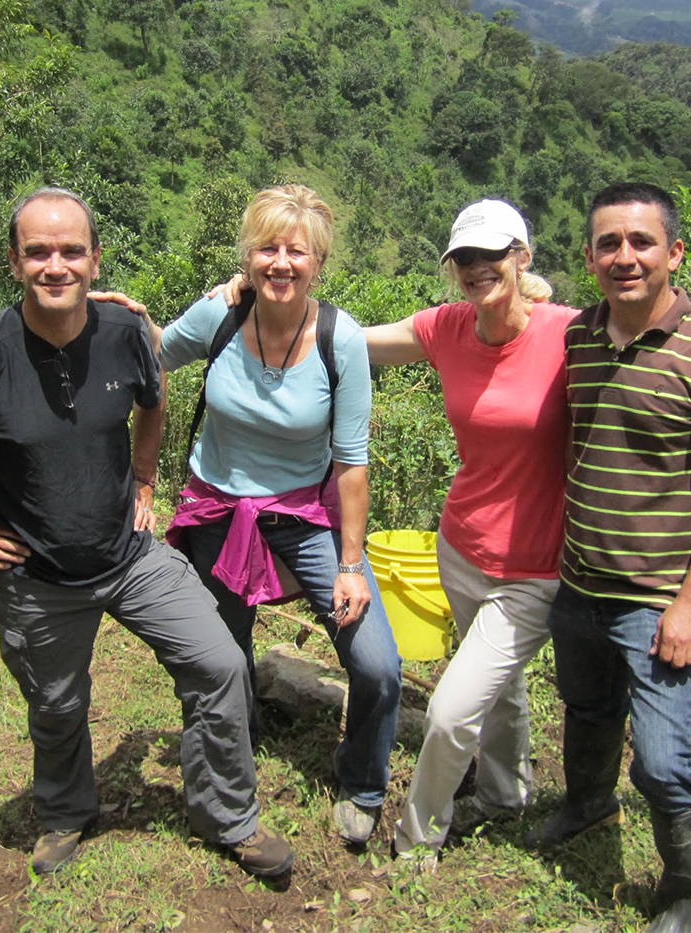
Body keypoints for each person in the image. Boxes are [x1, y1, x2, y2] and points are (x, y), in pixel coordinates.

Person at [0, 187, 293, 879]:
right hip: (38, 577)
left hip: (129, 556)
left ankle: (228, 816)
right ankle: (64, 811)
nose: (54, 265)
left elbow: (154, 398)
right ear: (14, 261)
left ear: (95, 259)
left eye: (69, 251)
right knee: (58, 704)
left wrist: (146, 482)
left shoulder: (124, 332)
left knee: (219, 663)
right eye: (37, 251)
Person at [131, 184, 403, 846]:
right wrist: (129, 318)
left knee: (377, 663)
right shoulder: (220, 318)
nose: (281, 262)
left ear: (319, 262)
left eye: (296, 251)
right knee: (223, 648)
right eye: (267, 248)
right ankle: (237, 742)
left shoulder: (341, 341)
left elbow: (352, 464)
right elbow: (149, 360)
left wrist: (350, 565)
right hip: (217, 508)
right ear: (249, 257)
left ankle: (363, 779)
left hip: (307, 514)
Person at [535, 182, 691, 933]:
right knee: (587, 710)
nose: (624, 257)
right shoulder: (580, 336)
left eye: (640, 242)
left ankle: (682, 888)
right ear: (591, 256)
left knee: (666, 760)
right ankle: (588, 804)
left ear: (674, 252)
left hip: (659, 599)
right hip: (580, 580)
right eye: (608, 243)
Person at [362, 199, 579, 867]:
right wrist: (256, 302)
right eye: (465, 258)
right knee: (501, 687)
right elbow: (353, 338)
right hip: (459, 548)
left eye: (493, 254)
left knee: (454, 709)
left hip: (535, 566)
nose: (477, 268)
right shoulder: (447, 329)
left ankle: (418, 833)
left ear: (523, 256)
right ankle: (507, 791)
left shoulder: (571, 334)